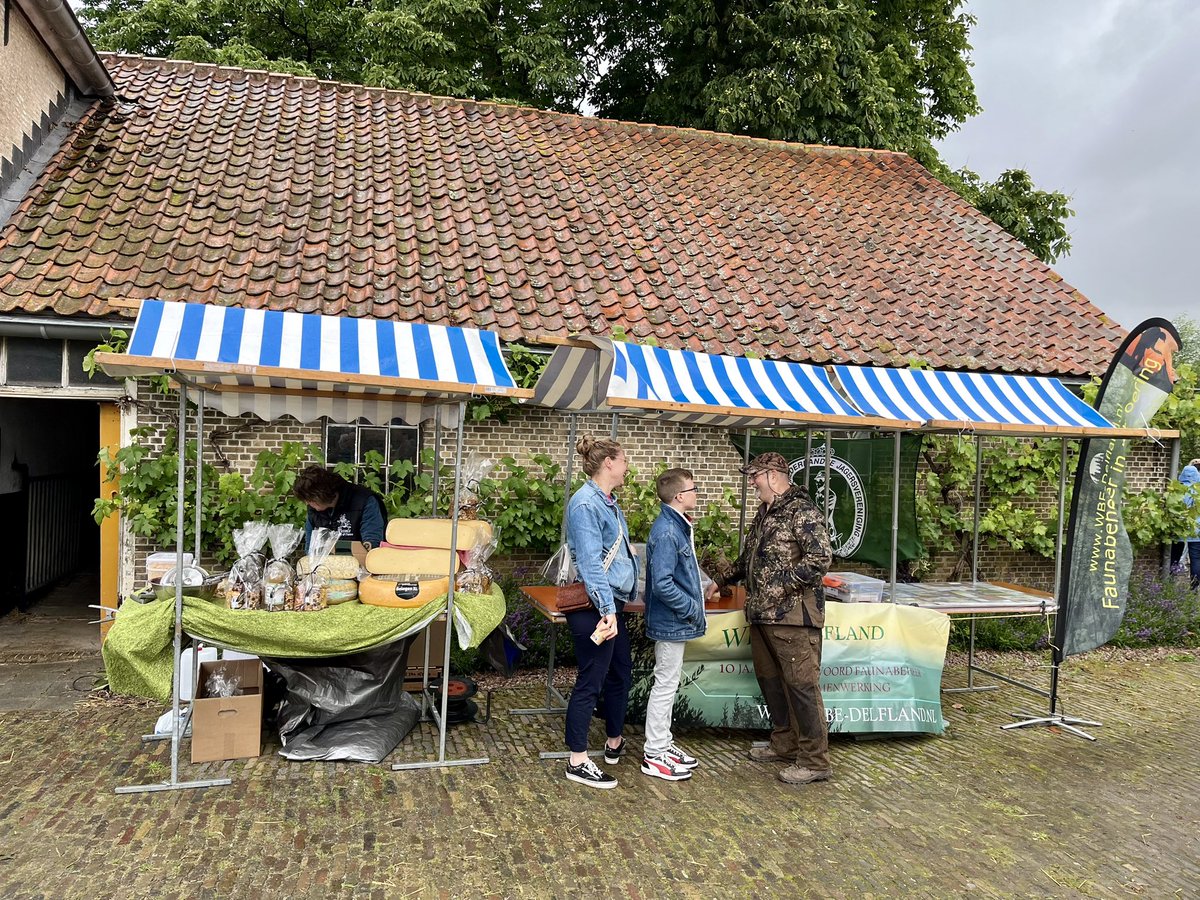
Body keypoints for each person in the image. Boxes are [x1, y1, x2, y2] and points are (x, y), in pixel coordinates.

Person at [717, 451, 833, 786]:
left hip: (793, 617)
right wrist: (720, 579)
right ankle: (784, 743)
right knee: (771, 683)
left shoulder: (802, 510)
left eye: (755, 476)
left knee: (802, 687)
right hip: (762, 615)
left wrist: (780, 586)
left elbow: (820, 559)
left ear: (772, 475)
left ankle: (815, 760)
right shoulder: (765, 513)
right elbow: (749, 559)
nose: (752, 483)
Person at [562, 435, 639, 789]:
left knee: (620, 672)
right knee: (590, 681)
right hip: (595, 607)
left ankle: (614, 740)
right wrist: (608, 610)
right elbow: (591, 563)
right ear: (609, 462)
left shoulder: (609, 503)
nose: (627, 466)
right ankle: (577, 761)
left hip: (610, 604)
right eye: (624, 460)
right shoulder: (585, 504)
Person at [641, 468, 718, 781]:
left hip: (674, 620)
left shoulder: (678, 525)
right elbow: (662, 583)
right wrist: (690, 608)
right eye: (694, 488)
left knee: (669, 682)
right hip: (671, 621)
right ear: (679, 496)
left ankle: (663, 742)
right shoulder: (668, 531)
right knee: (665, 684)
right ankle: (654, 753)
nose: (697, 493)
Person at [292, 465, 386, 552]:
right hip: (325, 563)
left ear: (321, 495)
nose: (307, 503)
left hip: (359, 561)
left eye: (310, 500)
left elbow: (372, 544)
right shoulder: (314, 510)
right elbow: (310, 547)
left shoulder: (364, 501)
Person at [1179, 462, 1200, 588]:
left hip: (1178, 529)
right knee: (1196, 559)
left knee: (1174, 557)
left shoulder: (1177, 490)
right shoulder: (1198, 491)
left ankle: (1169, 582)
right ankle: (1194, 587)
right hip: (1196, 530)